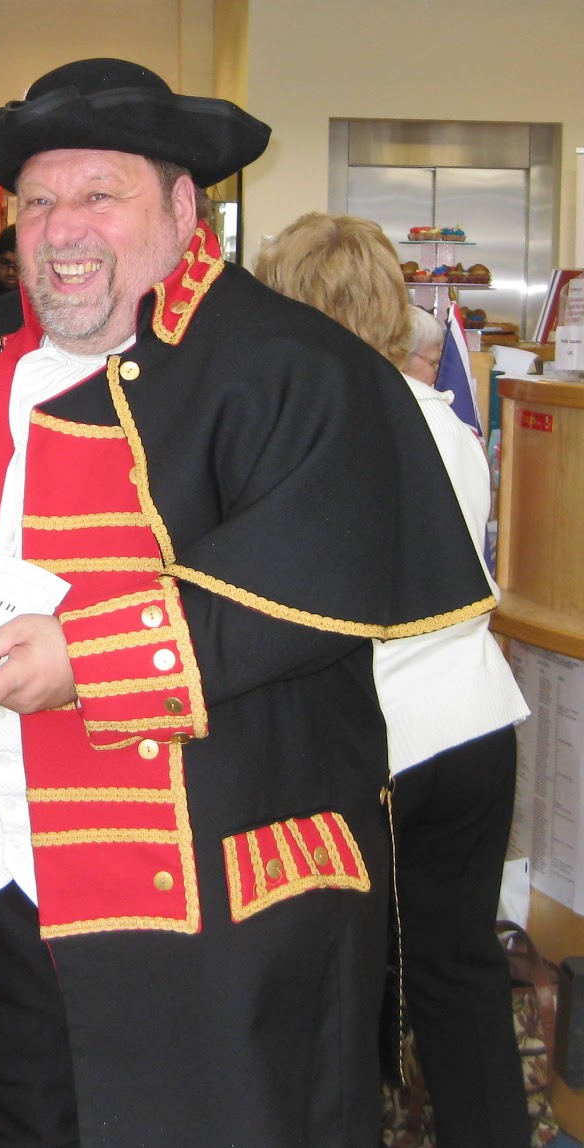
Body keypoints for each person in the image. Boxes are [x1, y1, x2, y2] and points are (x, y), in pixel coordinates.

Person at [0, 59, 497, 1147]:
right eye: (37, 201)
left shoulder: (291, 365)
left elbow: (300, 588)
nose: (61, 228)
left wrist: (83, 656)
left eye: (100, 194)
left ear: (183, 208)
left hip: (219, 917)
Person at [259, 216, 531, 1148]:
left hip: (376, 743)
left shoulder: (302, 422)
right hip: (476, 724)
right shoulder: (448, 422)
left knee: (343, 976)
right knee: (461, 970)